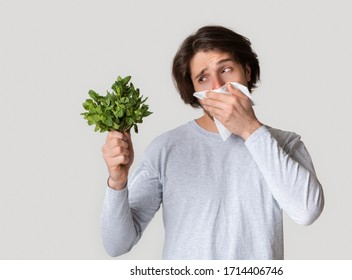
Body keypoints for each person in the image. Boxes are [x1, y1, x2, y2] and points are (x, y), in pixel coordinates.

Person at [101, 25, 324, 259]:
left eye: (226, 69)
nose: (217, 86)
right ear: (194, 90)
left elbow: (307, 211)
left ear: (247, 72)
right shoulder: (166, 149)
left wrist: (250, 128)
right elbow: (117, 244)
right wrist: (117, 181)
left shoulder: (285, 144)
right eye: (203, 78)